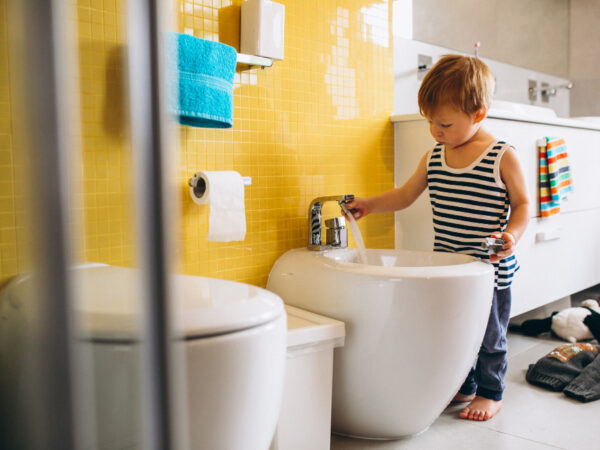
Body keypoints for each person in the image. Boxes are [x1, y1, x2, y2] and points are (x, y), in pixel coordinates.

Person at [345, 54, 530, 421]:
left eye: (443, 123)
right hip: (447, 267)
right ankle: (465, 384)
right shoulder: (434, 157)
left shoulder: (501, 156)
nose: (435, 130)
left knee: (489, 336)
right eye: (430, 121)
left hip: (489, 270)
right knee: (455, 331)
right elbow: (404, 194)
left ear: (478, 114)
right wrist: (369, 204)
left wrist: (511, 234)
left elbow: (523, 204)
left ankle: (491, 392)